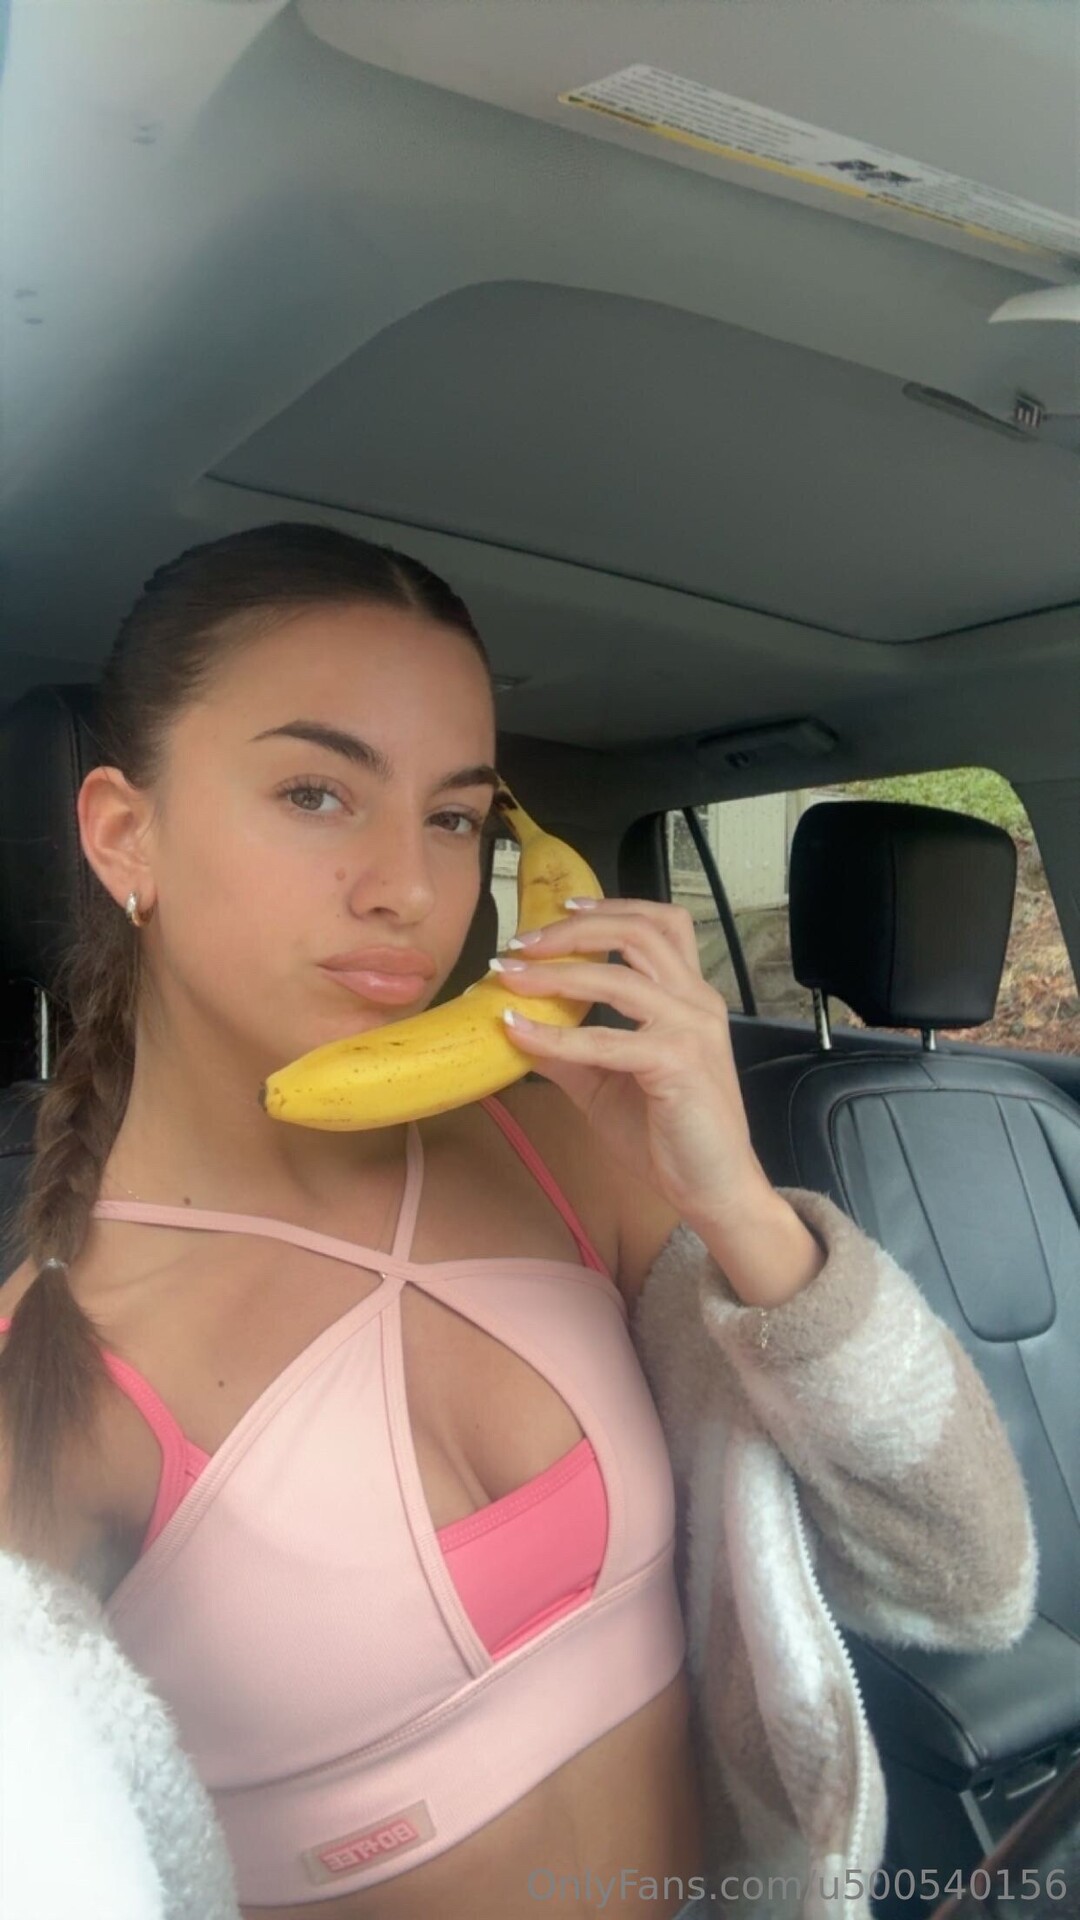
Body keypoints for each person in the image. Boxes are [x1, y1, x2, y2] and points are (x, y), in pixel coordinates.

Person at [0, 523, 1036, 1920]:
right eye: (315, 793)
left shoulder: (563, 1152)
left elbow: (972, 1578)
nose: (409, 889)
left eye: (453, 819)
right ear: (125, 833)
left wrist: (736, 1202)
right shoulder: (58, 1367)